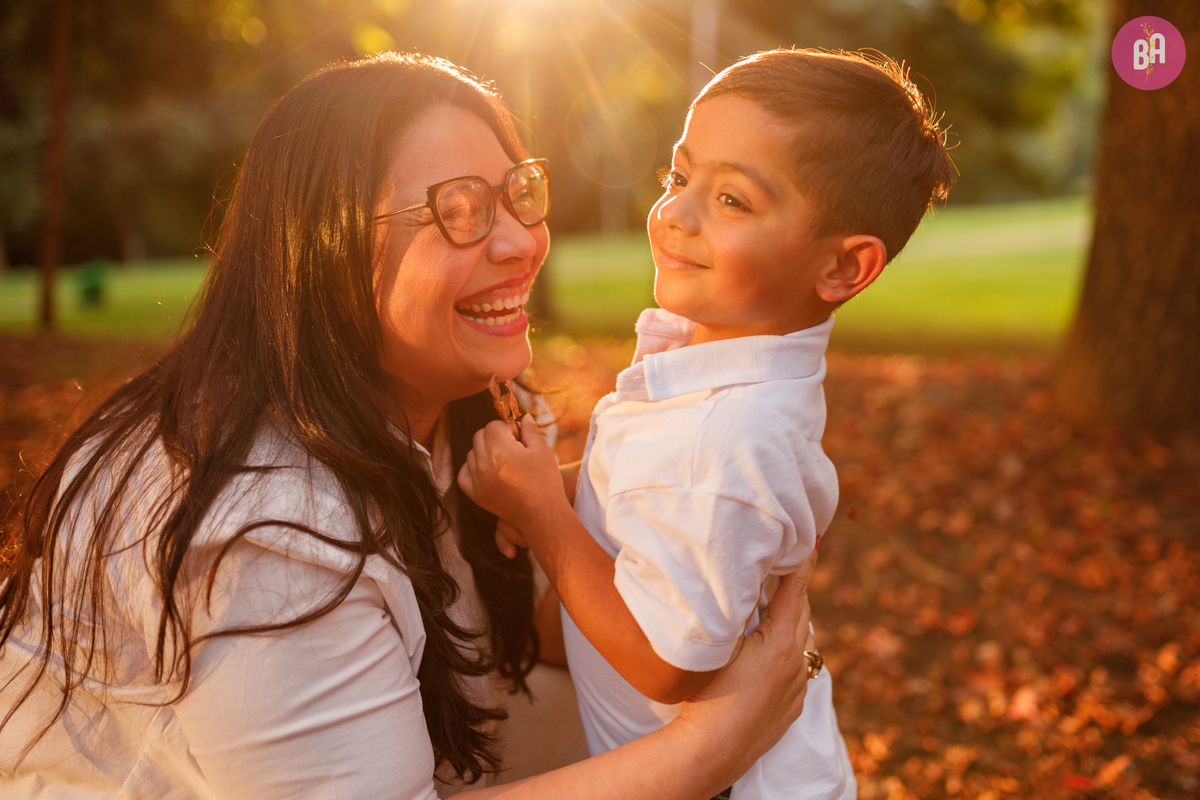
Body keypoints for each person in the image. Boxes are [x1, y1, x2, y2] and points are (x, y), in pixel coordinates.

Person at [0, 53, 821, 799]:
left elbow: (541, 640)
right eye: (458, 211)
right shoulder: (268, 531)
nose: (521, 242)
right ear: (320, 251)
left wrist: (712, 576)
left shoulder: (466, 410)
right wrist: (720, 738)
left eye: (516, 195)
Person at [459, 49, 955, 800]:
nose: (675, 214)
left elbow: (667, 663)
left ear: (843, 269)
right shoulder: (706, 371)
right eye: (679, 177)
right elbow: (647, 503)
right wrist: (556, 487)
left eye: (733, 202)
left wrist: (542, 514)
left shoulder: (734, 437)